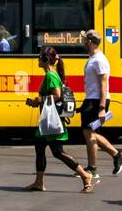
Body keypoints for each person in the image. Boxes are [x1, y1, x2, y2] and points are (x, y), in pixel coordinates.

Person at [23, 46, 93, 193]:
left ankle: (85, 176)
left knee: (58, 152)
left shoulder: (51, 76)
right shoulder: (51, 74)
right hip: (47, 120)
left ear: (45, 59)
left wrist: (38, 100)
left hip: (51, 121)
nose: (37, 59)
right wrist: (37, 102)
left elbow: (57, 95)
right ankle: (39, 182)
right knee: (40, 147)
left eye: (40, 56)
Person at [79, 30, 122, 181]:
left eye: (85, 39)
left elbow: (104, 84)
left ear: (90, 42)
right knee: (89, 133)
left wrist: (101, 107)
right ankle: (117, 155)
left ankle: (93, 169)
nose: (83, 42)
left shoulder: (99, 60)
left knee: (89, 133)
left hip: (97, 100)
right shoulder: (93, 58)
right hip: (91, 99)